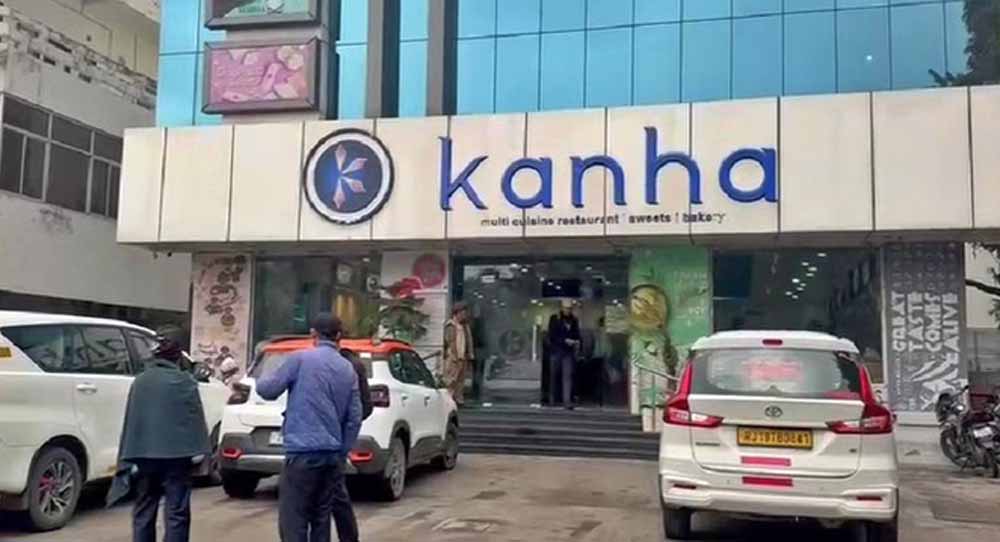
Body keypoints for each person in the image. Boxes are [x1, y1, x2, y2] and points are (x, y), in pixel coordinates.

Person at [257, 314, 362, 542]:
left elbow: (267, 390)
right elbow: (355, 418)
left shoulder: (300, 359)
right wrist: (342, 451)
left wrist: (266, 368)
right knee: (320, 518)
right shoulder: (348, 369)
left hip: (302, 452)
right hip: (331, 455)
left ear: (313, 334)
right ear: (339, 336)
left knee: (294, 519)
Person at [108, 329, 211, 542]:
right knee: (177, 511)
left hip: (144, 455)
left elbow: (133, 421)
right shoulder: (185, 382)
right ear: (178, 354)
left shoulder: (141, 382)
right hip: (177, 458)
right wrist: (200, 454)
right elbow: (194, 420)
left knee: (144, 508)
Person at [548, 299, 582, 409]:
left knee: (567, 376)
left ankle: (566, 401)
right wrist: (564, 340)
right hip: (556, 350)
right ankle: (552, 398)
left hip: (568, 352)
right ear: (562, 308)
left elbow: (577, 334)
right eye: (566, 308)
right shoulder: (555, 319)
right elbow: (552, 335)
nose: (568, 310)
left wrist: (576, 341)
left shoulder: (574, 320)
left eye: (570, 308)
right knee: (554, 375)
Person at [443, 302, 474, 405]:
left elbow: (468, 340)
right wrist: (454, 356)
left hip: (463, 356)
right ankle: (448, 399)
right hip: (454, 357)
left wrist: (469, 354)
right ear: (457, 313)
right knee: (452, 379)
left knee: (461, 380)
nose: (464, 316)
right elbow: (450, 342)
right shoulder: (451, 325)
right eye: (462, 313)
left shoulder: (464, 326)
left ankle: (459, 399)